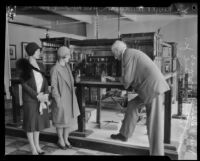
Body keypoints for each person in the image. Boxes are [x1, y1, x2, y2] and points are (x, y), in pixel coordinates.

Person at [106, 40, 170, 155]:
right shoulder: (130, 53)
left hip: (153, 89)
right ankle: (124, 134)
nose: (115, 58)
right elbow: (130, 77)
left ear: (117, 51)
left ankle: (157, 153)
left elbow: (127, 81)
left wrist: (116, 79)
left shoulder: (127, 55)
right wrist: (120, 78)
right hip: (148, 89)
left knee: (154, 123)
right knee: (132, 105)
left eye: (114, 54)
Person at [15, 42, 50, 155]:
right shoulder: (23, 66)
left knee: (38, 123)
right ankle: (33, 148)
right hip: (30, 99)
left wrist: (45, 94)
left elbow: (45, 80)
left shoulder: (41, 65)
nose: (40, 52)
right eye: (38, 50)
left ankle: (38, 146)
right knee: (30, 124)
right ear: (32, 52)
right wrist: (36, 95)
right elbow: (24, 84)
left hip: (41, 98)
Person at [50, 46, 80, 150]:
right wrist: (58, 100)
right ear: (63, 56)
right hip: (61, 98)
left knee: (68, 121)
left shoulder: (67, 67)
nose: (70, 57)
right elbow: (53, 86)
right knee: (60, 121)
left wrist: (76, 79)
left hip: (70, 98)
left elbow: (70, 81)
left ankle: (66, 139)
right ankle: (60, 139)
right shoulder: (54, 69)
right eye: (68, 55)